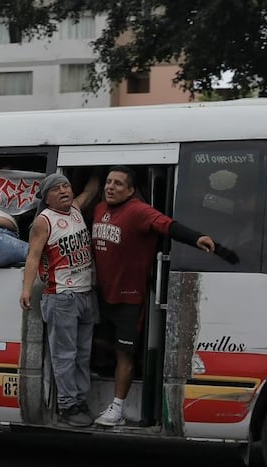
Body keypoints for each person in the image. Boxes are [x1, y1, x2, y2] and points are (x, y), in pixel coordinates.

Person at [90, 165, 237, 427]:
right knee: (101, 346)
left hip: (129, 298)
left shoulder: (137, 211)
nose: (111, 187)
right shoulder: (100, 209)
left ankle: (118, 409)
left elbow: (168, 226)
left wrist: (198, 238)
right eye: (108, 182)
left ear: (132, 190)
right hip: (102, 295)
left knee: (125, 353)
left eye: (118, 184)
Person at [19, 172, 100, 427]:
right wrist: (26, 289)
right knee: (65, 354)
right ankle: (67, 405)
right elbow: (33, 256)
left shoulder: (75, 208)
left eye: (66, 185)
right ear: (47, 197)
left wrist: (98, 173)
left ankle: (80, 399)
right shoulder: (44, 221)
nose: (64, 191)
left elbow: (89, 192)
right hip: (61, 296)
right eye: (56, 189)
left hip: (86, 293)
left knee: (83, 353)